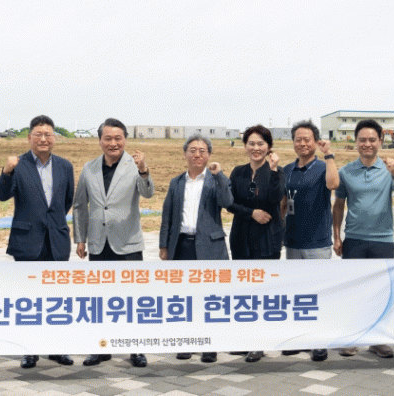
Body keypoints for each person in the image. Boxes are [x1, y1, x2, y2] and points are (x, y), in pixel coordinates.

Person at [73, 118, 154, 368]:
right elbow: (80, 205)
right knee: (101, 299)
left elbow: (148, 192)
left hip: (128, 244)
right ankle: (101, 347)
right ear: (100, 141)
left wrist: (144, 170)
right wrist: (80, 238)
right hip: (99, 244)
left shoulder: (134, 164)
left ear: (125, 140)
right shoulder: (89, 168)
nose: (113, 143)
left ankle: (136, 348)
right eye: (107, 138)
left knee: (131, 300)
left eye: (118, 138)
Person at [0, 115, 75, 368]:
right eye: (38, 134)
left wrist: (53, 224)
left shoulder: (65, 166)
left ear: (54, 138)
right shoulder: (18, 164)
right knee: (28, 299)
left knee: (57, 298)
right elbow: (2, 195)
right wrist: (6, 171)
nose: (43, 139)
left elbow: (66, 201)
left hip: (56, 241)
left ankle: (56, 348)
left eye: (48, 134)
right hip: (28, 241)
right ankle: (29, 349)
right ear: (29, 137)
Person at [332, 119, 394, 358]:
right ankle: (350, 337)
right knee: (353, 290)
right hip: (354, 238)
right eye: (362, 140)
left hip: (383, 239)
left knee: (380, 292)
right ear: (355, 142)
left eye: (372, 140)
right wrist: (337, 236)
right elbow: (339, 206)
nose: (367, 144)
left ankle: (377, 340)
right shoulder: (345, 172)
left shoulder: (391, 169)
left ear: (380, 142)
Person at [160, 134, 234, 364]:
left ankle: (210, 345)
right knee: (183, 297)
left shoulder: (215, 179)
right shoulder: (176, 182)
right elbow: (167, 216)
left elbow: (227, 202)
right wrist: (164, 245)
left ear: (209, 155)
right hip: (182, 245)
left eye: (202, 151)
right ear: (185, 154)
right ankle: (186, 342)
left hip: (210, 247)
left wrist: (219, 175)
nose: (197, 154)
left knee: (210, 297)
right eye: (192, 150)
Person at [280, 120, 339, 362]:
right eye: (298, 139)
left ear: (315, 142)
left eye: (307, 139)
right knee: (297, 293)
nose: (302, 143)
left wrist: (329, 154)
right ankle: (298, 338)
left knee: (318, 293)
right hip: (293, 240)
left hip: (318, 241)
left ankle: (319, 341)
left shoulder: (323, 166)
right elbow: (283, 203)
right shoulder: (287, 169)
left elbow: (334, 184)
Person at [226, 125, 284, 363]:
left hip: (267, 238)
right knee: (244, 291)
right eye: (251, 143)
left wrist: (273, 170)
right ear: (245, 146)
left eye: (261, 144)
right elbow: (229, 203)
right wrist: (251, 213)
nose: (256, 148)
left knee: (263, 292)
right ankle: (244, 339)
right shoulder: (238, 172)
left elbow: (275, 198)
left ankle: (259, 342)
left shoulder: (277, 172)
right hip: (241, 237)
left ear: (269, 147)